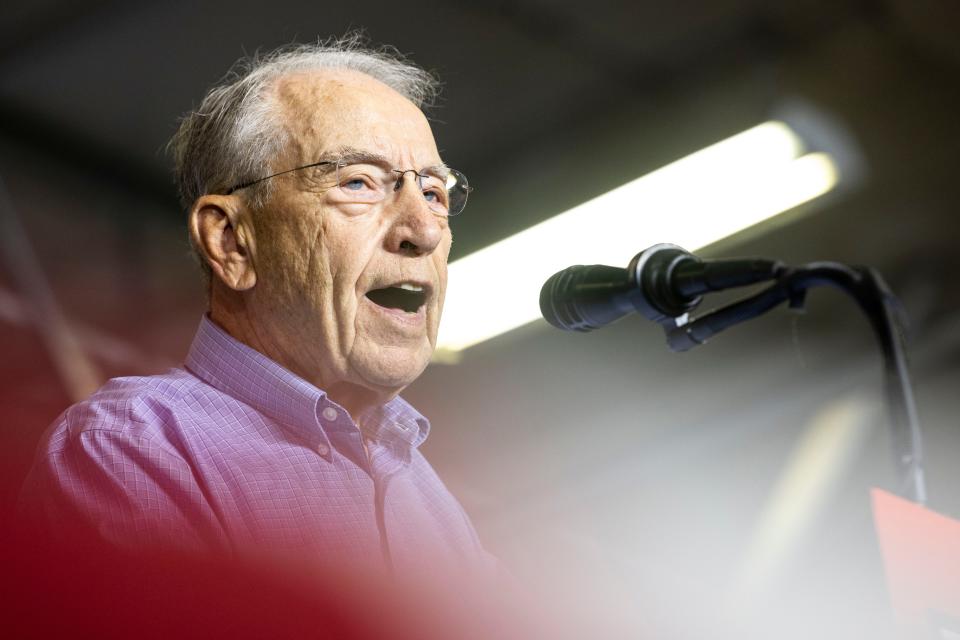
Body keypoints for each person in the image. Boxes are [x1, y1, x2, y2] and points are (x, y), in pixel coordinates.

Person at [19, 37, 491, 582]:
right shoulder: (131, 448)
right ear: (231, 242)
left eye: (433, 192)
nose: (425, 230)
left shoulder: (427, 493)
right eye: (358, 182)